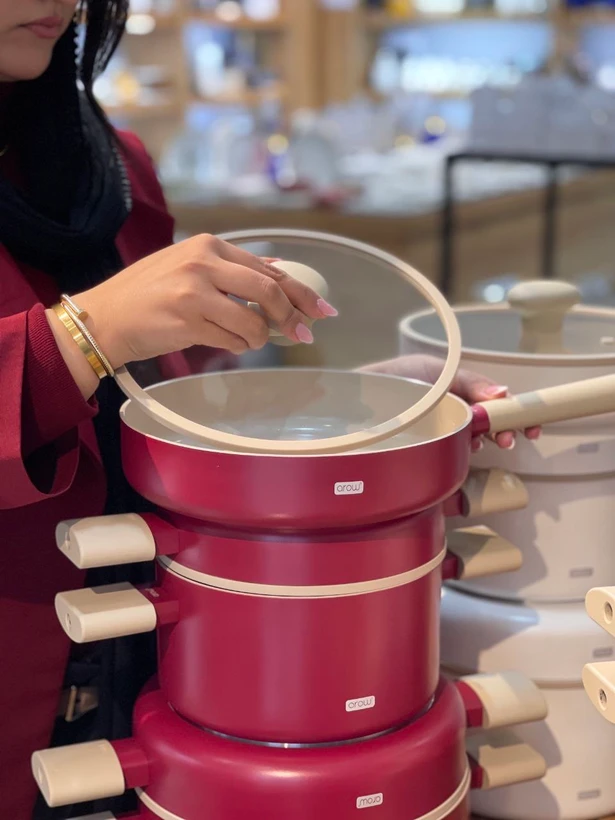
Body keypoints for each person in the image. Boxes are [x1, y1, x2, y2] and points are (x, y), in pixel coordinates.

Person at [0, 3, 533, 818]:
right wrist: (85, 331)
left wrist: (358, 411)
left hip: (168, 677)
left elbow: (150, 405)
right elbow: (88, 349)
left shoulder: (104, 166)